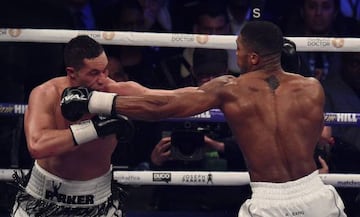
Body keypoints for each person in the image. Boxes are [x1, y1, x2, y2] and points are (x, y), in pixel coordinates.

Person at [61, 21, 347, 216]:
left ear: (254, 57)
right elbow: (306, 138)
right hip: (314, 194)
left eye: (239, 50)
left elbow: (163, 106)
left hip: (268, 201)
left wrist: (94, 101)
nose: (237, 55)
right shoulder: (312, 88)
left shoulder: (230, 89)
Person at [10, 34, 192, 217]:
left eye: (105, 70)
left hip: (98, 201)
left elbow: (167, 101)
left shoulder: (116, 93)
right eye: (94, 73)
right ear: (72, 72)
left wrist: (214, 93)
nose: (103, 79)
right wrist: (96, 128)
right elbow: (37, 146)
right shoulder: (46, 94)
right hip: (43, 200)